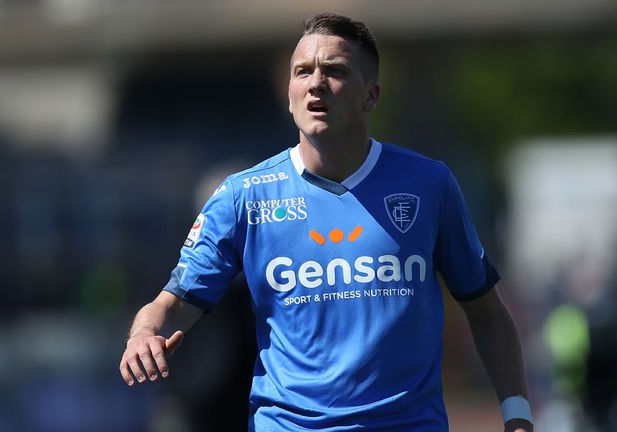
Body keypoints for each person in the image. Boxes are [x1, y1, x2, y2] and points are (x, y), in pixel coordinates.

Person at [119, 13, 533, 432]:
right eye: (303, 72)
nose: (315, 83)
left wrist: (517, 412)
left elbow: (486, 312)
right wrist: (145, 333)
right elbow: (174, 303)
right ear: (289, 94)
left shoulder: (429, 185)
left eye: (334, 71)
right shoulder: (244, 196)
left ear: (371, 95)